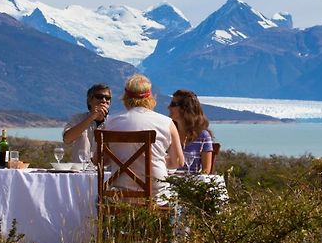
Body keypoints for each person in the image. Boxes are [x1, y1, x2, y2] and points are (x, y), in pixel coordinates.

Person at [104, 74, 184, 202]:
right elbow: (178, 161)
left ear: (125, 97)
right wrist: (157, 159)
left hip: (120, 191)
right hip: (156, 191)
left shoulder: (110, 122)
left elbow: (100, 160)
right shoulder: (167, 122)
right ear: (150, 97)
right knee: (176, 200)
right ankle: (167, 222)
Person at [63, 83, 111, 162]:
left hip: (104, 171)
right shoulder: (77, 119)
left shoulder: (113, 123)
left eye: (107, 98)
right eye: (99, 97)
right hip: (80, 170)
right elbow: (67, 139)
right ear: (89, 101)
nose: (104, 100)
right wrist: (91, 117)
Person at [168, 89, 214, 174]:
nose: (169, 107)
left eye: (173, 104)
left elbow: (205, 171)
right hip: (168, 183)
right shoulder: (167, 133)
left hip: (191, 185)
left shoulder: (203, 136)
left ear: (185, 108)